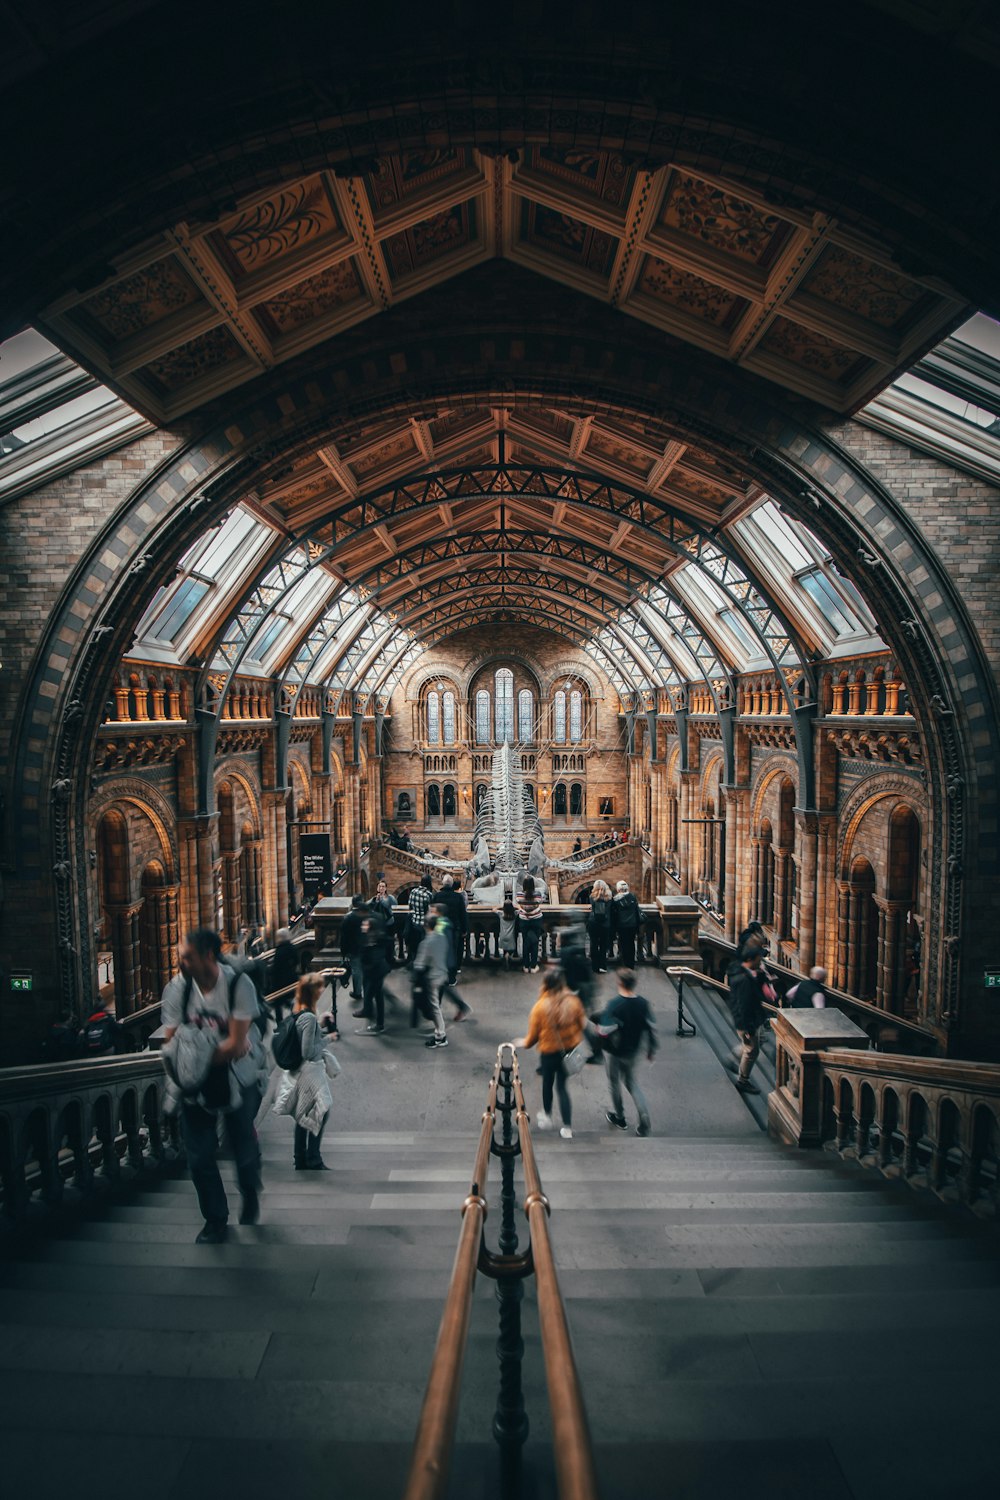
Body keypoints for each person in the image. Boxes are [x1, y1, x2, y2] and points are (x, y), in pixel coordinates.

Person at [161, 927, 262, 1243]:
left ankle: (249, 1188)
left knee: (243, 1150)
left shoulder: (237, 985)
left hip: (236, 1079)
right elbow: (171, 1040)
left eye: (187, 956)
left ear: (207, 955)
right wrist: (209, 1051)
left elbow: (236, 1043)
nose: (182, 962)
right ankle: (215, 1219)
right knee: (200, 1157)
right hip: (194, 1085)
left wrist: (199, 1050)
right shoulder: (177, 990)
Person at [514, 969, 587, 1140]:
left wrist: (522, 1042)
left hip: (548, 1052)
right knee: (562, 1087)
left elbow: (532, 1038)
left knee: (548, 1083)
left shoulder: (540, 1007)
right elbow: (581, 1024)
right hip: (567, 1051)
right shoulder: (574, 1002)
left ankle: (547, 1116)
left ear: (545, 984)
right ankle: (567, 1128)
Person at [595, 968, 657, 1136]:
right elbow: (651, 1027)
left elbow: (604, 1030)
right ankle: (643, 1116)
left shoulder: (615, 1005)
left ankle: (620, 1117)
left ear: (619, 983)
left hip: (616, 1051)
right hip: (634, 1050)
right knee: (631, 1083)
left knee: (614, 1082)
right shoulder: (643, 1003)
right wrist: (651, 1049)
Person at [282, 972, 334, 1169]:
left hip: (300, 1072)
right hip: (310, 1073)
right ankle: (313, 1158)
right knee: (321, 1111)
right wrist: (328, 1038)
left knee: (304, 1113)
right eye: (319, 987)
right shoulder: (308, 1017)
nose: (322, 990)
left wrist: (319, 1025)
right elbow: (308, 1051)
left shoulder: (299, 1012)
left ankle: (300, 1157)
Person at [727, 943, 774, 1095]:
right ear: (751, 958)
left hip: (753, 1018)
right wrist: (747, 1028)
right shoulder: (744, 980)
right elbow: (744, 1005)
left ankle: (734, 1057)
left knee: (755, 1044)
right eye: (759, 958)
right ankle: (743, 1080)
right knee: (752, 1050)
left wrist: (760, 976)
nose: (761, 961)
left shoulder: (743, 971)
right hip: (748, 1022)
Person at [413, 913, 451, 1048]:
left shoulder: (426, 942)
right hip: (443, 973)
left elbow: (419, 964)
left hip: (432, 977)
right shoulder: (442, 937)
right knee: (436, 1005)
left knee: (434, 1007)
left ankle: (440, 1036)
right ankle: (439, 1033)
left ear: (426, 925)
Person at [355, 908, 392, 1034]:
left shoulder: (373, 941)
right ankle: (375, 1022)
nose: (363, 926)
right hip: (375, 972)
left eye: (365, 924)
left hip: (375, 972)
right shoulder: (370, 939)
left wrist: (368, 967)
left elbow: (373, 958)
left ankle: (378, 1025)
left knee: (375, 996)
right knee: (375, 996)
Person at [78, 985, 126, 1056]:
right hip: (106, 1049)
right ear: (103, 1009)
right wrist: (120, 1023)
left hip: (92, 1052)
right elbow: (117, 1029)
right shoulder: (108, 1019)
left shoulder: (89, 1022)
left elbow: (83, 1034)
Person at [437, 874, 467, 980]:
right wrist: (464, 929)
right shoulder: (458, 897)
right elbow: (463, 914)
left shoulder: (436, 896)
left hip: (440, 928)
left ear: (442, 883)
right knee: (453, 952)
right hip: (454, 928)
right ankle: (451, 978)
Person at [268, 927, 300, 1015]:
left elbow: (276, 967)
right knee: (286, 999)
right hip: (292, 978)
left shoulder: (280, 950)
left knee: (277, 1000)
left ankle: (280, 1022)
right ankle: (293, 1012)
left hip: (280, 981)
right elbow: (296, 961)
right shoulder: (292, 947)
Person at [341, 894, 366, 1004]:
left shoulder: (348, 917)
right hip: (366, 947)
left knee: (356, 970)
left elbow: (344, 936)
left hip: (354, 948)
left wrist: (344, 952)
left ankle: (357, 992)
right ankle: (368, 991)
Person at [518, 874, 544, 973]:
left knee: (525, 942)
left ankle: (525, 965)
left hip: (524, 920)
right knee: (534, 942)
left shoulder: (519, 895)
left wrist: (525, 910)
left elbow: (520, 904)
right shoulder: (537, 894)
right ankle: (533, 966)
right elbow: (539, 902)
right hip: (536, 920)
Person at [612, 880, 641, 967]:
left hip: (622, 925)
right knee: (631, 943)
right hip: (632, 924)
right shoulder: (632, 897)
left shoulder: (615, 900)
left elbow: (614, 914)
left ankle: (624, 963)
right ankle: (631, 963)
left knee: (623, 944)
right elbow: (636, 911)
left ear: (618, 889)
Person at [406, 875, 434, 963]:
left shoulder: (413, 891)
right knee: (424, 946)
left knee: (415, 945)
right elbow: (429, 911)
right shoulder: (428, 894)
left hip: (414, 922)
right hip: (424, 924)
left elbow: (410, 906)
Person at [587, 879, 613, 972]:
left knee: (593, 944)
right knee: (603, 945)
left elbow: (593, 906)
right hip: (605, 924)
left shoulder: (592, 896)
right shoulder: (609, 897)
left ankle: (595, 967)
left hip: (593, 923)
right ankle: (603, 966)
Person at [372, 879, 397, 967]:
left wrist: (381, 900)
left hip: (389, 924)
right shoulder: (374, 899)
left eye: (383, 886)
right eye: (380, 886)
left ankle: (390, 960)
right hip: (379, 925)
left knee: (390, 943)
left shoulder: (390, 898)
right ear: (377, 888)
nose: (381, 888)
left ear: (386, 888)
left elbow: (392, 907)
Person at [498, 898, 518, 968]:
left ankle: (505, 957)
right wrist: (515, 906)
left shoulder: (501, 914)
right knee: (511, 949)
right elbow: (521, 909)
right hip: (511, 936)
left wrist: (500, 907)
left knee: (504, 948)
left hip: (503, 935)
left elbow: (493, 909)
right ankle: (507, 956)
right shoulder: (514, 914)